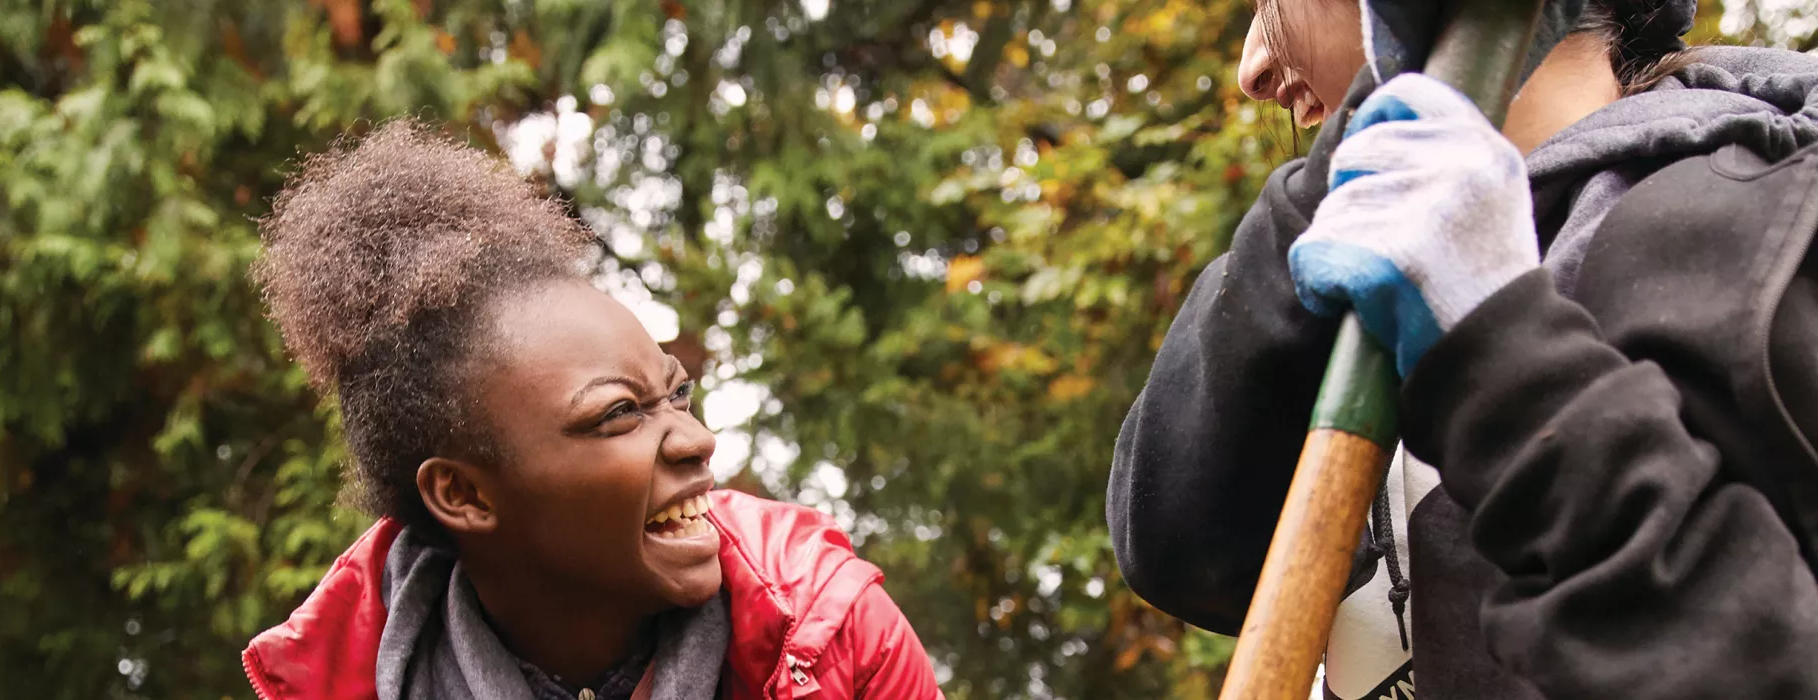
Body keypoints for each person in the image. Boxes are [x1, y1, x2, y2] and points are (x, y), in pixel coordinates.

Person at [1108, 0, 1818, 698]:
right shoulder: (1349, 262)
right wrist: (1355, 157)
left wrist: (1502, 358)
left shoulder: (1774, 223)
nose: (1252, 69)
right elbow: (1180, 547)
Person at [239, 121, 940, 700]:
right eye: (620, 415)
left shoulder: (832, 635)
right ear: (464, 494)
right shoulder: (331, 681)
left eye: (677, 394)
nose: (697, 441)